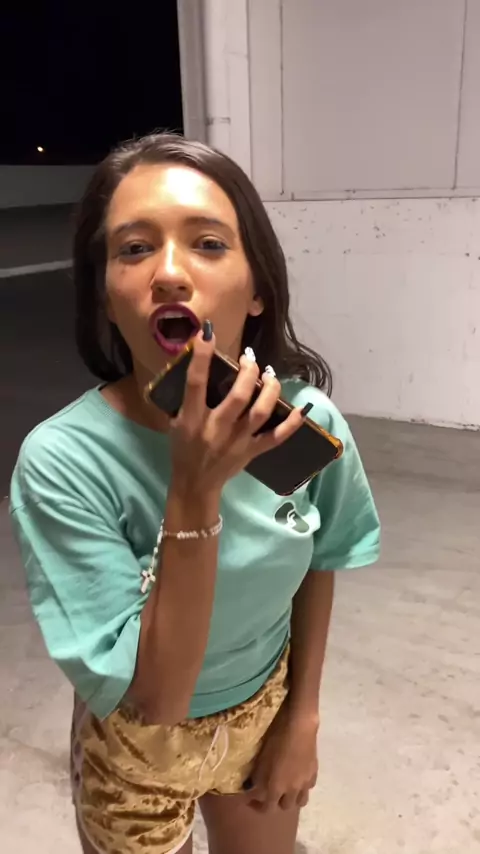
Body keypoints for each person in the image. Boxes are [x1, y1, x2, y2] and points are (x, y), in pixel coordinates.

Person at [9, 133, 380, 854]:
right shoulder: (65, 463)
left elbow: (321, 559)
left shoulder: (300, 428)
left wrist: (302, 718)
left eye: (208, 244)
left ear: (258, 287)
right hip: (133, 744)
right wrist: (194, 488)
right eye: (135, 248)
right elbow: (157, 698)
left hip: (264, 709)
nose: (171, 273)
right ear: (106, 295)